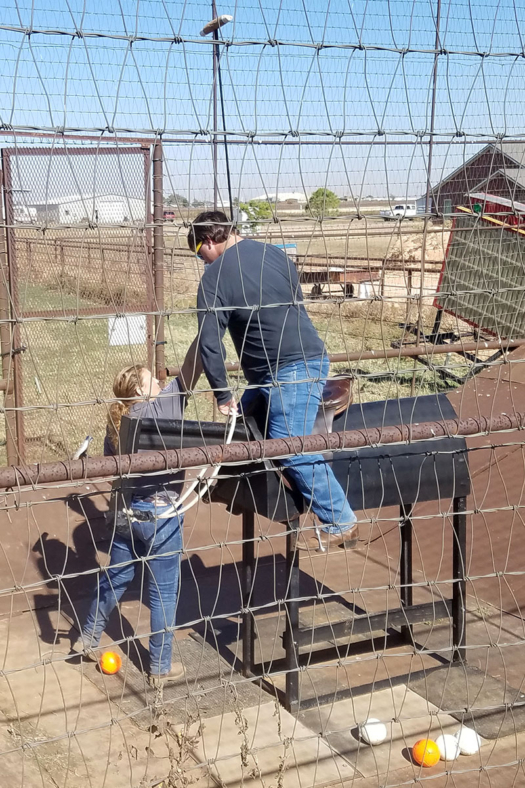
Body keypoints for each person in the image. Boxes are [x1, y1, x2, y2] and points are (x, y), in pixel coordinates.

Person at [188, 211, 357, 552]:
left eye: (198, 253)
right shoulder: (274, 253)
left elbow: (209, 342)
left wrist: (222, 393)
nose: (201, 260)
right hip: (293, 362)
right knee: (243, 426)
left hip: (290, 370)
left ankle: (340, 520)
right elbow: (296, 299)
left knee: (287, 446)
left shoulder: (214, 278)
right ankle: (232, 488)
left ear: (207, 242)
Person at [71, 341, 202, 687]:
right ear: (143, 392)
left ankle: (87, 637)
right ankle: (159, 666)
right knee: (163, 592)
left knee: (115, 579)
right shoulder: (164, 406)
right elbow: (193, 365)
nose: (161, 382)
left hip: (125, 515)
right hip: (162, 517)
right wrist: (209, 323)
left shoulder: (120, 420)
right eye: (153, 381)